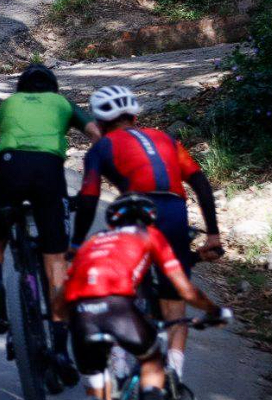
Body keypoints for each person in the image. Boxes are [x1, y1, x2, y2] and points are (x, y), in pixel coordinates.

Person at [0, 62, 99, 384]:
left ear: (21, 89)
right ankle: (60, 349)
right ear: (52, 88)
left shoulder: (8, 106)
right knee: (55, 261)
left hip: (9, 168)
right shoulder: (63, 104)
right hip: (49, 172)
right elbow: (99, 138)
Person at [71, 85, 223, 384]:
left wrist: (76, 243)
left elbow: (89, 197)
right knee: (174, 295)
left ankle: (119, 360)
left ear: (100, 123)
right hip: (175, 212)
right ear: (134, 115)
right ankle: (175, 373)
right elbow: (200, 182)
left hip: (137, 213)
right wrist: (214, 234)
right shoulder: (166, 138)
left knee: (120, 287)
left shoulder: (101, 147)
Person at [53, 194, 230, 400]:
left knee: (99, 388)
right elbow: (186, 291)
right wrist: (214, 311)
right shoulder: (149, 234)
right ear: (150, 219)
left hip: (82, 318)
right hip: (119, 310)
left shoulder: (92, 243)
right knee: (151, 361)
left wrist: (66, 326)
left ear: (112, 223)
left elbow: (59, 303)